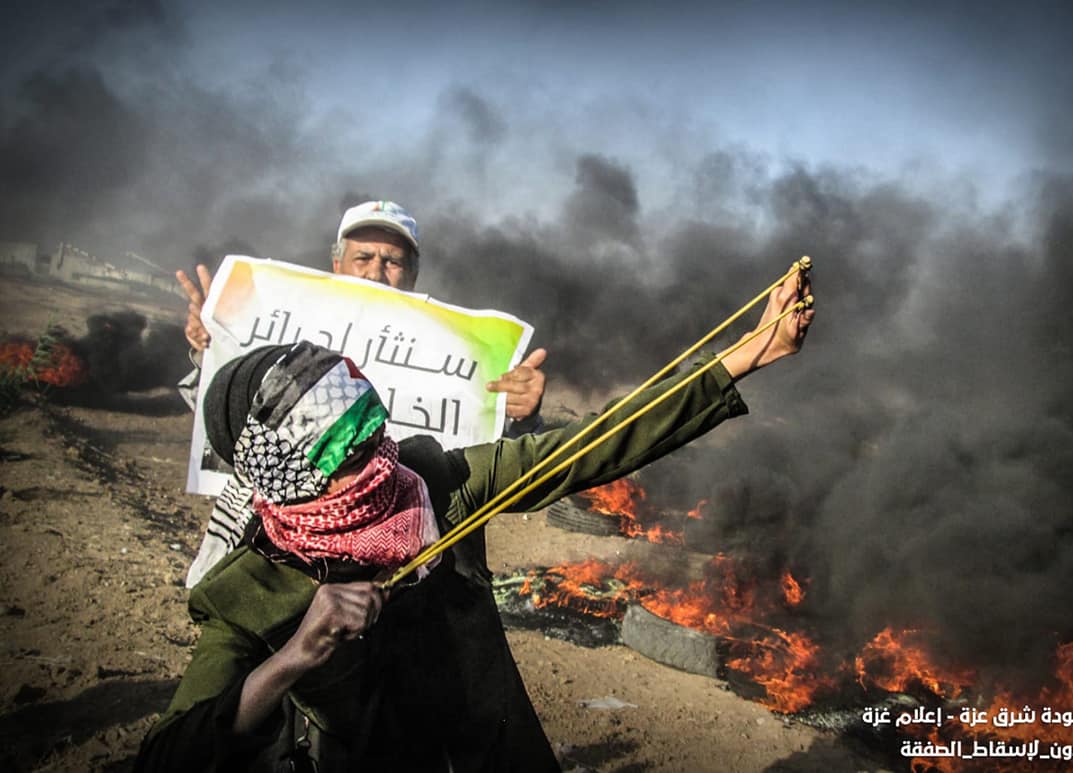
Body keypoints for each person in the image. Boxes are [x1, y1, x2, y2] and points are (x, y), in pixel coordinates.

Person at [136, 268, 815, 772]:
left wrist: (748, 355)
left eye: (371, 422)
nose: (377, 455)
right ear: (288, 475)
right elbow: (168, 757)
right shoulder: (249, 593)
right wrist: (293, 657)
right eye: (345, 448)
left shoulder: (435, 483)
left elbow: (593, 446)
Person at [179, 201, 546, 586]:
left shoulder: (453, 351)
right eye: (363, 257)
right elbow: (231, 426)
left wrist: (523, 417)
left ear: (413, 274)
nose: (375, 272)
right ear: (337, 263)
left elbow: (497, 464)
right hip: (290, 558)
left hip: (411, 558)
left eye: (392, 261)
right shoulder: (287, 328)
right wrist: (215, 349)